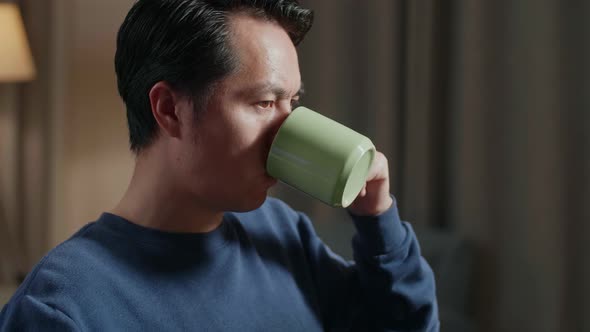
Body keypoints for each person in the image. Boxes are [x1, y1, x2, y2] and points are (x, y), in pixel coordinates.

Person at [0, 0, 439, 330]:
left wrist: (378, 220)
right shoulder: (61, 309)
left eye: (294, 102)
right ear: (170, 110)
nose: (288, 129)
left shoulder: (281, 233)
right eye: (265, 102)